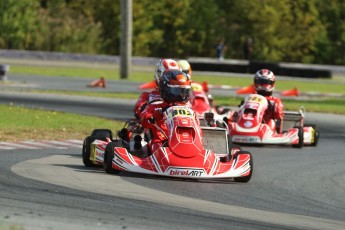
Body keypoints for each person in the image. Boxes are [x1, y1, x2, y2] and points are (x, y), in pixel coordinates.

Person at [139, 69, 193, 154]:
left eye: (183, 91)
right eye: (176, 91)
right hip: (161, 141)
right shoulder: (155, 106)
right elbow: (143, 118)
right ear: (165, 90)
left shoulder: (189, 108)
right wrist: (151, 117)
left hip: (187, 141)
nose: (180, 96)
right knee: (156, 145)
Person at [253, 69, 284, 133]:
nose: (263, 85)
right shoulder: (252, 97)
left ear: (272, 83)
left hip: (267, 127)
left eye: (266, 82)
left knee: (272, 122)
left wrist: (273, 107)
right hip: (252, 123)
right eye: (261, 82)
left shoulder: (275, 100)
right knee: (230, 114)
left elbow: (278, 116)